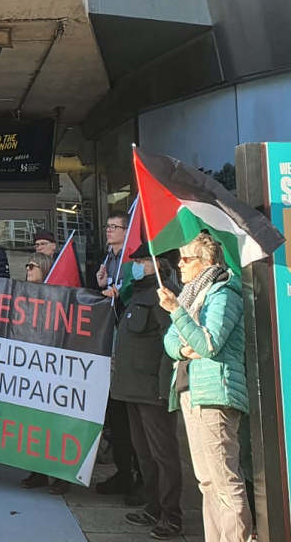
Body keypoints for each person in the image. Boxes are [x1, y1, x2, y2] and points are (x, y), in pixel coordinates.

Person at [158, 232, 251, 542]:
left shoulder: (223, 294)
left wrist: (177, 314)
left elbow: (208, 344)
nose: (179, 265)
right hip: (192, 391)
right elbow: (171, 341)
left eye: (186, 259)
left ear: (205, 262)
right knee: (207, 482)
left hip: (215, 393)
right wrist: (185, 347)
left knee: (225, 481)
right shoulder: (191, 297)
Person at [113, 245, 183, 540]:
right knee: (144, 455)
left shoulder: (163, 296)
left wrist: (164, 388)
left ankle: (171, 515)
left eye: (142, 260)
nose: (137, 265)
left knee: (163, 455)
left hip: (153, 390)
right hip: (132, 388)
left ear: (158, 263)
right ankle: (153, 506)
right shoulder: (138, 293)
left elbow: (171, 345)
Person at [94, 210, 142, 501]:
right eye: (107, 226)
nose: (109, 231)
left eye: (115, 227)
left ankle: (137, 477)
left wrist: (118, 291)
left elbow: (131, 295)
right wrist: (100, 284)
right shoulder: (107, 259)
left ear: (127, 231)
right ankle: (123, 473)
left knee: (129, 421)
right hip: (108, 347)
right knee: (116, 417)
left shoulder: (131, 261)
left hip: (126, 349)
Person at [18, 251, 71, 495]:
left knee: (55, 425)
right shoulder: (21, 296)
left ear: (46, 269)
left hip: (53, 368)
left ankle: (61, 475)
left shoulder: (59, 298)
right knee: (34, 422)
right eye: (27, 266)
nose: (28, 269)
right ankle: (37, 471)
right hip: (31, 366)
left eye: (33, 266)